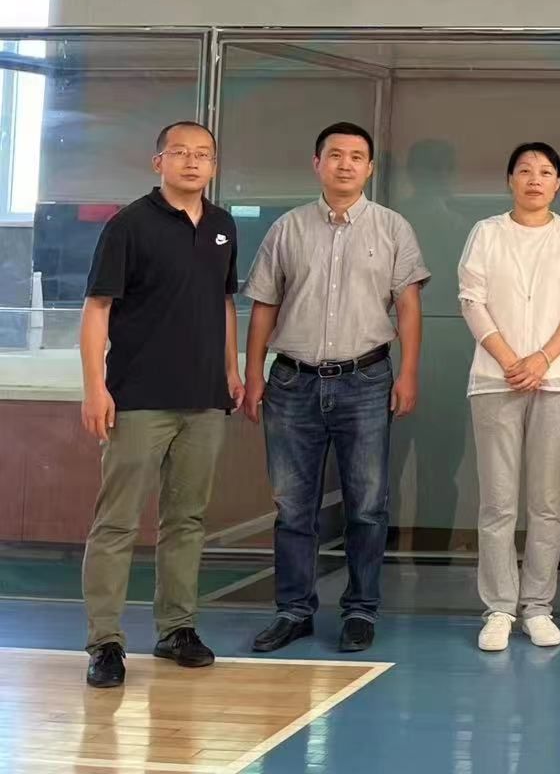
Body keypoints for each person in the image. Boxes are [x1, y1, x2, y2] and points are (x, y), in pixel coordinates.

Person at [242, 121, 429, 654]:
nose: (345, 164)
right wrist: (254, 374)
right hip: (292, 381)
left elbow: (409, 308)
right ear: (317, 163)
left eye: (356, 157)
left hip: (366, 380)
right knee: (292, 506)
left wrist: (409, 373)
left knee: (366, 504)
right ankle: (293, 610)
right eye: (335, 155)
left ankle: (361, 610)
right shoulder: (287, 228)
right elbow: (264, 306)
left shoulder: (393, 228)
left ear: (370, 168)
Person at [78, 122, 242, 688]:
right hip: (138, 397)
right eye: (180, 153)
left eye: (203, 155)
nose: (192, 162)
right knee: (117, 522)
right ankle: (105, 641)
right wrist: (95, 387)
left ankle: (177, 629)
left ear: (214, 166)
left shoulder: (222, 226)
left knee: (187, 519)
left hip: (204, 399)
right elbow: (97, 308)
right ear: (159, 162)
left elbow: (224, 303)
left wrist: (231, 369)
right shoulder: (128, 225)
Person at [457, 142, 560, 651]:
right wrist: (510, 359)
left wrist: (541, 358)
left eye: (545, 171)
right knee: (497, 501)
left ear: (559, 183)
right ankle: (498, 608)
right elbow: (471, 299)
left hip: (556, 379)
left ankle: (538, 606)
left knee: (546, 501)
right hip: (496, 379)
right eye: (524, 170)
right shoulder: (487, 232)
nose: (535, 179)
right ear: (510, 180)